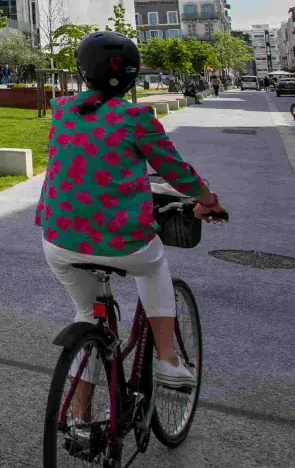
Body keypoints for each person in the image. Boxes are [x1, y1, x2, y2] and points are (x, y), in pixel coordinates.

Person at [38, 31, 227, 396]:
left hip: (59, 238)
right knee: (153, 266)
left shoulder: (62, 111)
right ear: (132, 74)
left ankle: (79, 414)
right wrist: (208, 200)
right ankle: (168, 359)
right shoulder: (136, 117)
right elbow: (176, 171)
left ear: (83, 72)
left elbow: (88, 165)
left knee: (86, 314)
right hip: (121, 243)